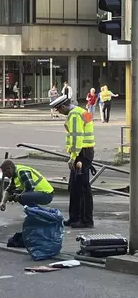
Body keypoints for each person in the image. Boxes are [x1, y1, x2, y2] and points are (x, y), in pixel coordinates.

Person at [50, 94, 95, 228]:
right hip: (86, 152)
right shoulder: (83, 111)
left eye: (58, 109)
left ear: (63, 106)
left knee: (81, 188)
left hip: (81, 153)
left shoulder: (75, 115)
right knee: (76, 187)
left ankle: (85, 220)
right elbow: (88, 126)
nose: (59, 112)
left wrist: (73, 156)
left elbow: (77, 137)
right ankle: (74, 217)